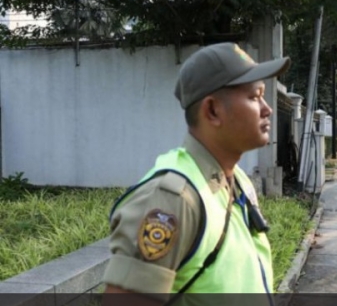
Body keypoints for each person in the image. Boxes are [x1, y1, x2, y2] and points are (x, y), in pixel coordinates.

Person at [101, 42, 291, 305]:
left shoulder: (237, 180)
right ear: (212, 110)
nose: (267, 109)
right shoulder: (172, 199)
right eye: (254, 96)